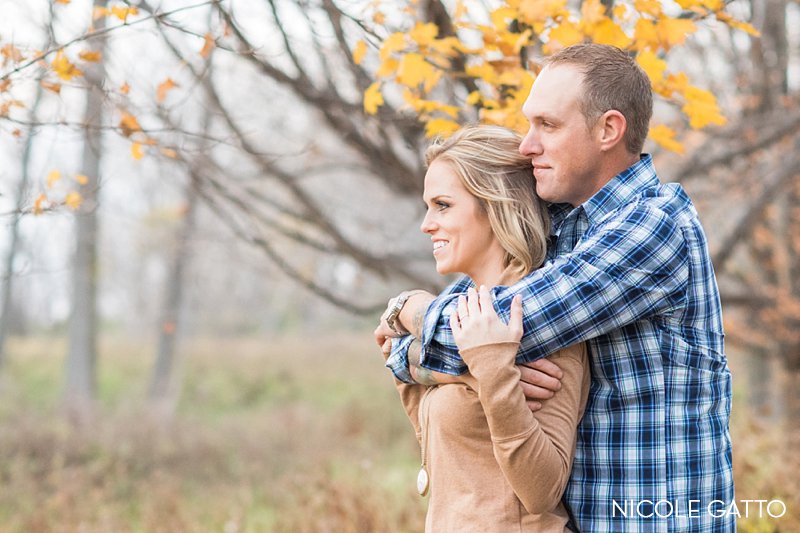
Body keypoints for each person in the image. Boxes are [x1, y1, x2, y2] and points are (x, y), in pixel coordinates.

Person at [375, 44, 734, 532]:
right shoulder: (563, 233)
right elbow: (470, 342)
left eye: (547, 125)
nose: (527, 145)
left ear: (608, 129)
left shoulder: (653, 229)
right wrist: (459, 364)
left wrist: (408, 310)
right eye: (528, 125)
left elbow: (491, 327)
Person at [382, 124, 590, 531]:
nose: (427, 224)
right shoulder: (454, 312)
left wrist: (494, 371)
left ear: (497, 206)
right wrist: (453, 368)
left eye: (443, 205)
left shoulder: (531, 318)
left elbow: (542, 491)